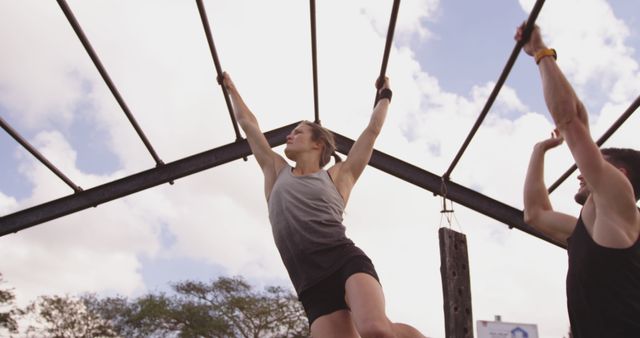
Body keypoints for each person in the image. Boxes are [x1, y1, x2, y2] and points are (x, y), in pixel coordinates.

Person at [221, 72, 426, 338]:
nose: (289, 136)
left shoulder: (340, 176)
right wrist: (231, 89)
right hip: (310, 285)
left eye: (298, 132)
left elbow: (372, 131)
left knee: (376, 330)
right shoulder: (275, 171)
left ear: (318, 143)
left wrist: (385, 96)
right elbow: (248, 124)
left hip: (344, 262)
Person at [518, 24, 640, 337]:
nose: (579, 172)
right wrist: (539, 150)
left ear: (621, 175)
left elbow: (571, 122)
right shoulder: (589, 228)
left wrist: (541, 53)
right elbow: (534, 213)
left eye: (596, 165)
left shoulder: (620, 206)